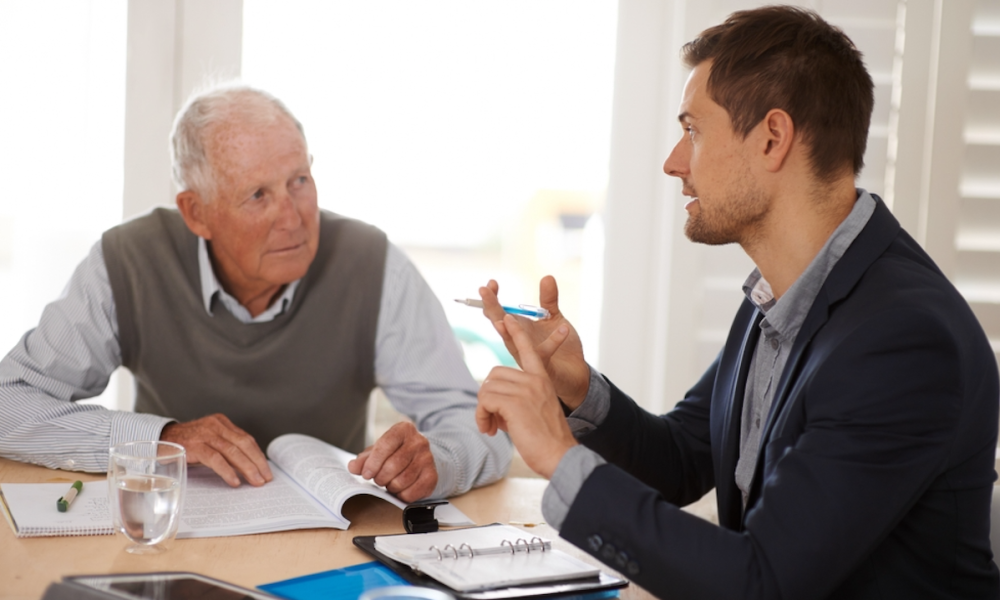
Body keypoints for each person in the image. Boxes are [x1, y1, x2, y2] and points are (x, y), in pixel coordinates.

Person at [475, 6, 999, 599]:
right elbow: (681, 459)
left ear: (772, 138)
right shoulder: (779, 295)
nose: (674, 162)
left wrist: (556, 454)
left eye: (693, 131)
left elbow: (762, 583)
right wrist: (576, 389)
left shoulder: (902, 341)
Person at [0, 84, 510, 503]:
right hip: (173, 527)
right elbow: (7, 403)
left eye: (299, 181)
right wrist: (160, 439)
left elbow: (477, 424)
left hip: (330, 539)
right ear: (197, 212)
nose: (292, 219)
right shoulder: (128, 261)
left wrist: (437, 462)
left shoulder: (373, 264)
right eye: (258, 195)